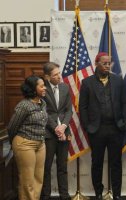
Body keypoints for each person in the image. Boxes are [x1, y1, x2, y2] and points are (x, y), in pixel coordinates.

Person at [79, 52, 126, 200]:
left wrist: (125, 123)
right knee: (97, 163)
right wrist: (87, 126)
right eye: (104, 63)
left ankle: (117, 194)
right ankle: (98, 193)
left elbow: (125, 103)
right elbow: (83, 107)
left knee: (116, 163)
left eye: (109, 63)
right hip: (97, 129)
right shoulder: (87, 82)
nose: (108, 66)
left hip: (116, 128)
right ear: (97, 63)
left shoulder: (118, 80)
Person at [7, 75, 47, 200]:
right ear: (33, 89)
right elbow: (12, 127)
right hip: (24, 144)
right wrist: (15, 143)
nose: (45, 88)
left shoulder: (43, 103)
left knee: (38, 179)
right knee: (27, 181)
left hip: (40, 144)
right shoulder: (24, 105)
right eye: (41, 86)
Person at [40, 62, 72, 200]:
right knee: (46, 167)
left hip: (64, 132)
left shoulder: (65, 87)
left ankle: (64, 195)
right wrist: (55, 128)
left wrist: (63, 126)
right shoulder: (42, 90)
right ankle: (45, 195)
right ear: (47, 77)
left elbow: (68, 110)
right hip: (49, 134)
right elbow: (44, 112)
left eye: (59, 73)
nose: (59, 76)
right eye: (56, 75)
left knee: (62, 166)